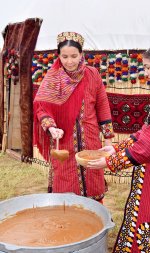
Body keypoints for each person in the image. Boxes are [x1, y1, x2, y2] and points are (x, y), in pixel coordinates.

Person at [88, 42, 150, 252]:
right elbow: (146, 132)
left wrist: (111, 162)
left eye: (148, 67)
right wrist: (115, 149)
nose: (146, 73)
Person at [33, 31, 114, 202]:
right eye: (65, 56)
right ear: (58, 56)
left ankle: (95, 221)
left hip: (90, 140)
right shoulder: (53, 78)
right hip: (64, 141)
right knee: (65, 185)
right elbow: (42, 108)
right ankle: (68, 224)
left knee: (93, 180)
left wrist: (108, 140)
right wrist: (51, 127)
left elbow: (103, 107)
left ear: (81, 54)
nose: (69, 61)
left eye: (74, 56)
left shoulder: (93, 75)